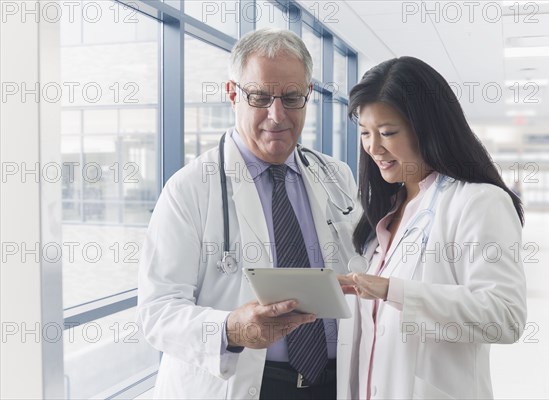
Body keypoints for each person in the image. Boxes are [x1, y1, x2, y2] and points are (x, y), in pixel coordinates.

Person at [137, 28, 359, 399]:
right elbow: (157, 311)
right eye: (259, 97)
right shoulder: (190, 188)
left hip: (332, 383)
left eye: (291, 98)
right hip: (242, 383)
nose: (277, 115)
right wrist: (229, 329)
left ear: (307, 96)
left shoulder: (336, 176)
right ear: (232, 94)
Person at [336, 57, 527, 399]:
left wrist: (393, 290)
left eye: (388, 132)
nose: (373, 147)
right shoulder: (384, 213)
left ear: (428, 127)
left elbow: (505, 316)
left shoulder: (478, 202)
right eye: (365, 133)